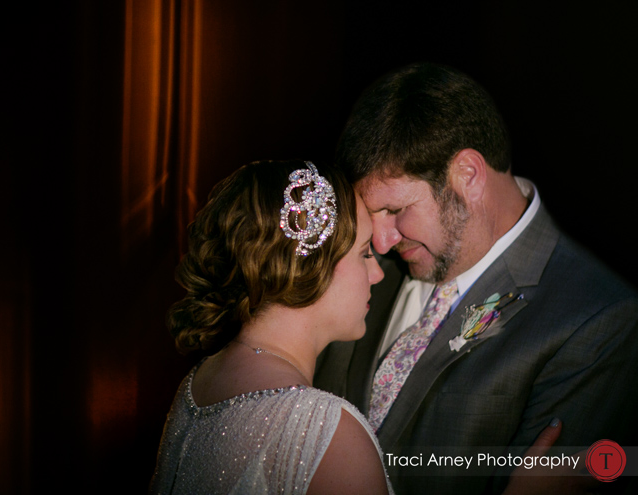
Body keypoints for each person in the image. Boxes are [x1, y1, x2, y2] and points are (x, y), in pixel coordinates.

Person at [150, 160, 571, 495]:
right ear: (315, 266)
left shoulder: (199, 384)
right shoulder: (324, 431)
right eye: (365, 252)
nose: (379, 273)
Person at [314, 63, 638, 494]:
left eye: (395, 210)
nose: (383, 240)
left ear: (467, 175)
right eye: (372, 215)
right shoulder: (356, 263)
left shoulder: (599, 320)